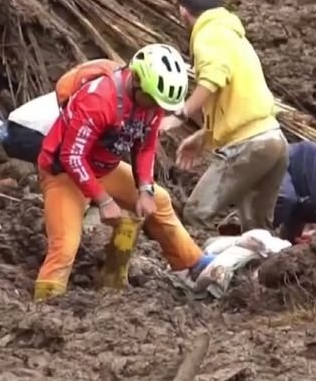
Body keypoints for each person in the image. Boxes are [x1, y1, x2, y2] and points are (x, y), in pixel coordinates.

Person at [32, 44, 213, 300]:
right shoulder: (98, 101)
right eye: (151, 100)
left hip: (105, 166)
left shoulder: (152, 104)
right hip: (65, 173)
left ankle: (192, 266)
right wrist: (103, 199)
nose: (154, 109)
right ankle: (43, 307)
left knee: (160, 201)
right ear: (137, 81)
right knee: (65, 246)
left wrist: (145, 189)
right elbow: (71, 156)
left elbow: (146, 146)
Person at [161, 0, 288, 232]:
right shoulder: (231, 35)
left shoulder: (208, 35)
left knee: (197, 213)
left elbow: (213, 77)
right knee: (257, 228)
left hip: (249, 144)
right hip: (274, 140)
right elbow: (235, 98)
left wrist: (181, 114)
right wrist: (205, 136)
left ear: (183, 12)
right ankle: (260, 270)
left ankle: (198, 268)